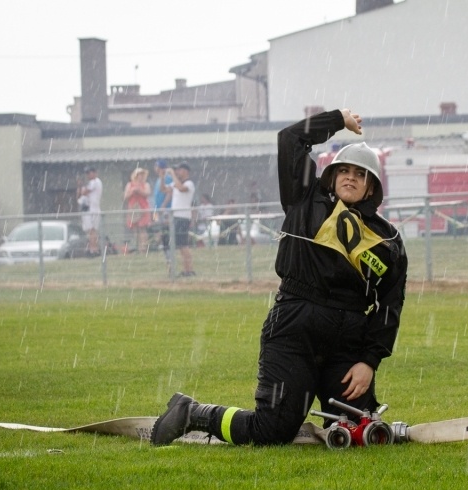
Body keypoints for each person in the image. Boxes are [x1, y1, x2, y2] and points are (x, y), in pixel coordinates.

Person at [151, 108, 408, 446]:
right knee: (271, 432)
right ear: (331, 176)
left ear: (372, 185)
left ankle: (355, 411)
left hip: (348, 343)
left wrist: (368, 361)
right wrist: (337, 120)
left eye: (360, 174)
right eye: (343, 170)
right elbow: (291, 139)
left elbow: (389, 305)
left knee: (362, 431)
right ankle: (192, 413)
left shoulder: (389, 240)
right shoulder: (304, 198)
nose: (350, 178)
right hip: (293, 330)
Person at [169, 162, 196, 277]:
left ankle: (189, 269)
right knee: (180, 245)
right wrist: (162, 177)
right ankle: (186, 269)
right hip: (176, 216)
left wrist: (172, 175)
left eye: (179, 170)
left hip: (183, 217)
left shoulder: (189, 183)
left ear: (185, 171)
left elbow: (181, 188)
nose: (177, 172)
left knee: (184, 244)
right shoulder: (176, 183)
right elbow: (164, 189)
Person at [124, 167, 152, 253]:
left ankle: (144, 248)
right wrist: (132, 191)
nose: (140, 176)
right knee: (135, 229)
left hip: (143, 209)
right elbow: (125, 197)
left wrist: (139, 191)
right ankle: (137, 247)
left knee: (142, 228)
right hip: (133, 208)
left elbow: (147, 193)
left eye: (142, 175)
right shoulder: (129, 185)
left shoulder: (146, 185)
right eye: (139, 175)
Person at [78, 166, 103, 256]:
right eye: (87, 173)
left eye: (90, 173)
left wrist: (81, 185)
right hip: (90, 209)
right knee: (91, 231)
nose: (88, 175)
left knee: (91, 231)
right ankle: (93, 249)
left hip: (91, 210)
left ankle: (94, 250)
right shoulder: (95, 182)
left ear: (95, 172)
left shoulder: (95, 182)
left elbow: (84, 192)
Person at [152, 159, 173, 261]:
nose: (155, 168)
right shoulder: (159, 179)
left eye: (157, 166)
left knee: (166, 229)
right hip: (159, 209)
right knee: (160, 229)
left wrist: (163, 205)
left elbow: (169, 192)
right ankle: (164, 248)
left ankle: (168, 249)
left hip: (166, 209)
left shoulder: (167, 178)